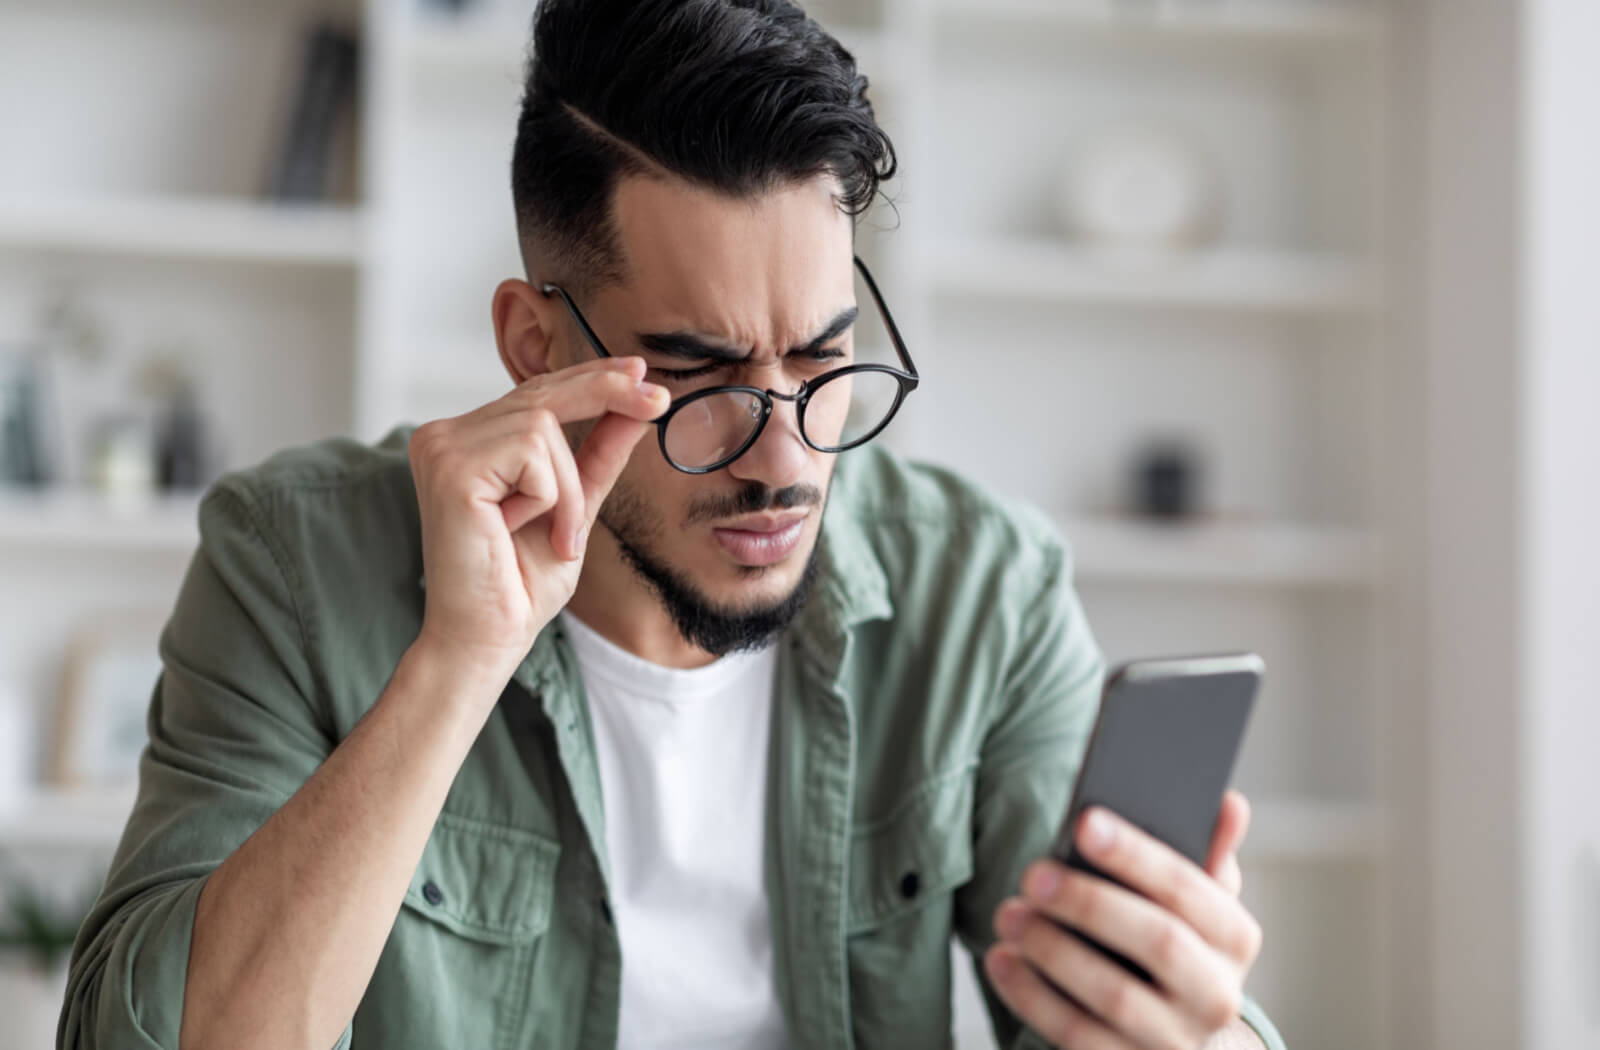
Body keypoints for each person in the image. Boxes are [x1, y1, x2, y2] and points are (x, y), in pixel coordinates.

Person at [60, 2, 1285, 1048]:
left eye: (821, 362)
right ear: (537, 350)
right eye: (701, 379)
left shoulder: (983, 588)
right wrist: (458, 661)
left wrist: (1190, 1018)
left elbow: (1120, 1006)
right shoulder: (292, 562)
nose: (784, 458)